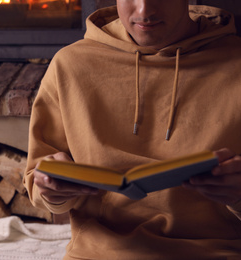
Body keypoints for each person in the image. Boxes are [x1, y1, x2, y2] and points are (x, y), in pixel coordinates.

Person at [23, 0, 241, 259]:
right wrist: (51, 189)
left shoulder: (235, 63)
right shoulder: (70, 64)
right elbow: (39, 185)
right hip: (98, 253)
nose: (144, 12)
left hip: (212, 251)